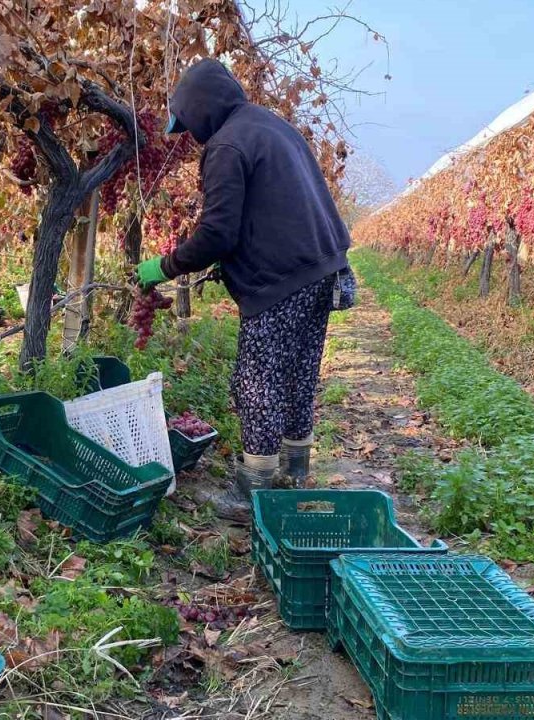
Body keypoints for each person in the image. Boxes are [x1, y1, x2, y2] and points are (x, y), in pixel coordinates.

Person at [136, 59, 351, 497]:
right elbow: (268, 209)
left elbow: (217, 232)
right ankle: (294, 474)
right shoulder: (270, 125)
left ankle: (254, 488)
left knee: (257, 381)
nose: (192, 137)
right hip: (323, 267)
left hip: (283, 278)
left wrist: (166, 266)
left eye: (189, 125)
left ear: (201, 109)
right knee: (297, 373)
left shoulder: (226, 145)